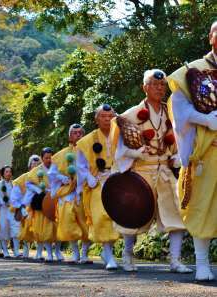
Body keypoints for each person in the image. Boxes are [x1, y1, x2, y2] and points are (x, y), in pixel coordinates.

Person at [114, 69, 192, 274]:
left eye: (162, 85)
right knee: (133, 216)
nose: (160, 88)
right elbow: (119, 150)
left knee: (176, 215)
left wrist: (177, 156)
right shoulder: (130, 115)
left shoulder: (171, 112)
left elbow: (179, 140)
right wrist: (135, 153)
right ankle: (128, 255)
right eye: (155, 85)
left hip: (165, 171)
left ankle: (175, 260)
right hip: (142, 172)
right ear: (144, 87)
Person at [168, 21, 217, 281]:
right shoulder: (191, 72)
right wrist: (206, 119)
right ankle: (202, 263)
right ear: (210, 37)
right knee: (202, 206)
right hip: (206, 153)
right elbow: (179, 109)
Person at [76, 104, 120, 270]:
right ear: (96, 119)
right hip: (98, 182)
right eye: (103, 116)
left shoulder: (120, 135)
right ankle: (108, 255)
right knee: (102, 216)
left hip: (118, 180)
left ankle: (112, 252)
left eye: (110, 116)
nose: (107, 119)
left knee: (118, 217)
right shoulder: (86, 141)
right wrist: (88, 177)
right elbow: (80, 165)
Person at [48, 124, 91, 263]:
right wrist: (62, 178)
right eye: (74, 133)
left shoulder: (90, 151)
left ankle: (84, 254)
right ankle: (75, 253)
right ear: (69, 136)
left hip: (85, 192)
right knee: (68, 223)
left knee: (86, 225)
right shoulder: (60, 155)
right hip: (67, 194)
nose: (78, 135)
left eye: (80, 133)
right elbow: (52, 174)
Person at [25, 148, 64, 262]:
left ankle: (57, 250)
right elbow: (28, 183)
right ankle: (49, 253)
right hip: (43, 200)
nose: (49, 160)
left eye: (50, 157)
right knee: (46, 229)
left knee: (58, 228)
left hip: (56, 199)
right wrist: (39, 189)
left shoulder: (57, 167)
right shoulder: (36, 170)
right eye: (46, 158)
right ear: (42, 158)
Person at [10, 155, 42, 259]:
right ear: (29, 166)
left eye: (38, 164)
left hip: (40, 208)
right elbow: (14, 198)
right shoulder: (22, 179)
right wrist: (21, 207)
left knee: (40, 230)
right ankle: (25, 251)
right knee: (26, 231)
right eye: (34, 164)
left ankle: (39, 252)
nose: (36, 166)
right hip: (26, 209)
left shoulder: (44, 177)